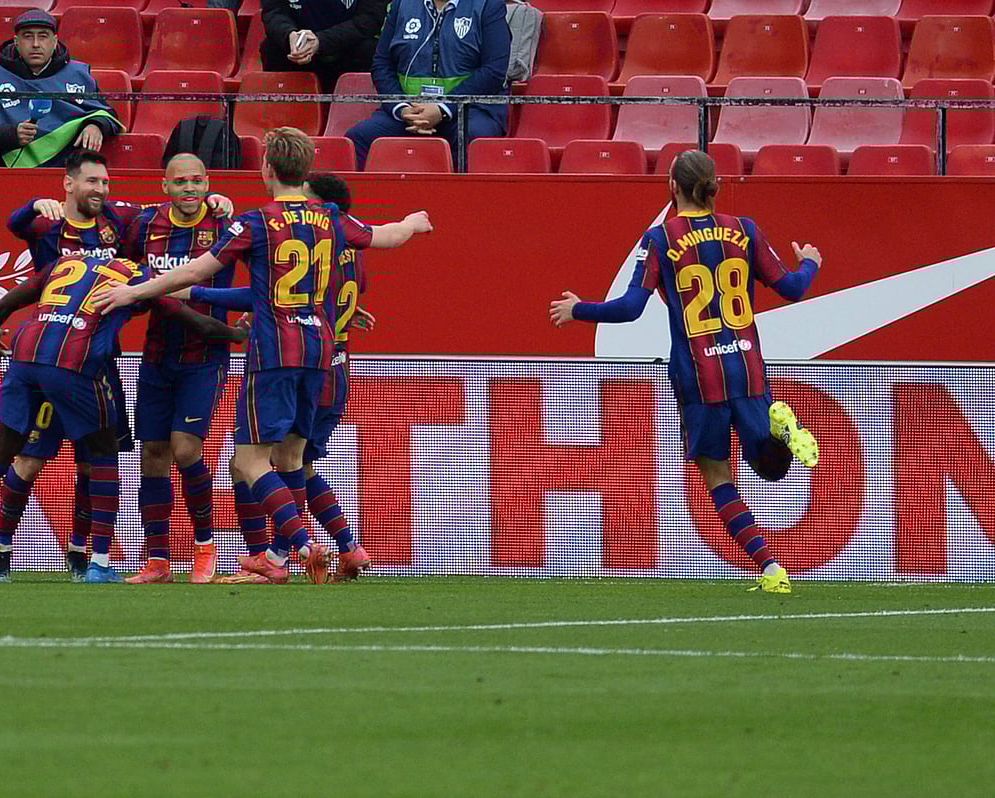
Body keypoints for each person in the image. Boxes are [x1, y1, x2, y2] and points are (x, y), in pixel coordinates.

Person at [93, 127, 433, 584]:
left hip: (274, 352)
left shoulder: (254, 222)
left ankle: (298, 547)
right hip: (321, 353)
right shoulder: (331, 216)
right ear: (306, 169)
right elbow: (387, 236)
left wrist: (134, 291)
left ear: (266, 169)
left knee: (250, 461)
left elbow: (195, 271)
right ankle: (312, 552)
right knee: (291, 458)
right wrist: (413, 222)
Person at [548, 149, 822, 595]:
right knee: (771, 470)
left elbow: (631, 308)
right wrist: (810, 261)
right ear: (714, 187)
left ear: (671, 187)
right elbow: (792, 287)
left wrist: (580, 309)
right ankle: (781, 430)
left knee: (718, 477)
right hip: (748, 367)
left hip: (699, 377)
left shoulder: (661, 239)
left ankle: (771, 569)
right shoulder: (744, 230)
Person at [0, 150, 234, 583]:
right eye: (92, 182)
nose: (101, 190)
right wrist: (31, 204)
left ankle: (174, 548)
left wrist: (219, 203)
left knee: (132, 455)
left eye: (198, 182)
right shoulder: (71, 225)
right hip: (81, 358)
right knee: (39, 458)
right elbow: (14, 225)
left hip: (134, 360)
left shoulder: (153, 223)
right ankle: (2, 550)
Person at [189, 172, 375, 583]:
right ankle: (345, 548)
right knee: (297, 464)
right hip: (334, 361)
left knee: (260, 463)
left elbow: (267, 294)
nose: (300, 209)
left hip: (297, 358)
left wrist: (196, 293)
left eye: (307, 200)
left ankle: (277, 554)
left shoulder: (309, 239)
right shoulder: (348, 251)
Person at [0, 254, 160, 584]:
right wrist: (229, 331)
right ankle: (96, 563)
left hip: (27, 354)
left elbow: (10, 299)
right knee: (98, 455)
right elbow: (176, 306)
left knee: (3, 452)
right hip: (76, 362)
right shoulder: (137, 273)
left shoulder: (65, 260)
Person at [117, 154, 244, 585]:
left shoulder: (227, 225)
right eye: (181, 182)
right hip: (157, 353)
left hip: (204, 354)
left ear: (208, 182)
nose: (190, 189)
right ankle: (157, 560)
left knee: (186, 449)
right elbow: (120, 263)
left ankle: (206, 548)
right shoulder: (144, 226)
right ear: (165, 186)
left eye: (197, 181)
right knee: (152, 454)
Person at [346, 0, 510, 171]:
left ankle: (461, 197)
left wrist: (443, 108)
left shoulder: (488, 5)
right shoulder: (401, 5)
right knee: (358, 138)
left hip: (470, 110)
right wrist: (401, 108)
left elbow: (494, 71)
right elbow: (381, 64)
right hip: (410, 112)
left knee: (472, 137)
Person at [0, 10, 121, 167]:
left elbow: (106, 113)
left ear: (54, 42)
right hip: (6, 164)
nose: (35, 44)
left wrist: (96, 125)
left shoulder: (78, 75)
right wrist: (10, 134)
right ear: (16, 42)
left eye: (43, 37)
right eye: (28, 37)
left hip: (66, 163)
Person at [260, 0, 387, 92]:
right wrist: (289, 35)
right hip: (300, 51)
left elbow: (369, 20)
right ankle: (285, 118)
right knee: (272, 48)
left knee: (370, 51)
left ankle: (354, 118)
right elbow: (273, 12)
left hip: (348, 47)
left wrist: (321, 41)